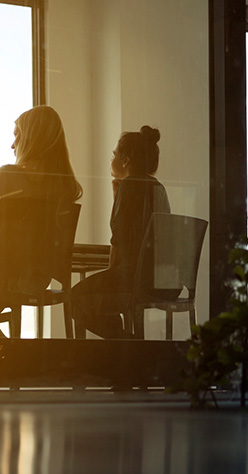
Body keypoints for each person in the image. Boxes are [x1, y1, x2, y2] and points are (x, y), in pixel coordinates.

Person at [0, 105, 83, 330]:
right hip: (36, 281)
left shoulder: (8, 175)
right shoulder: (65, 187)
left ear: (31, 138)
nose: (13, 144)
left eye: (17, 135)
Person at [71, 126, 171, 339]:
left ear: (126, 160)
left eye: (114, 155)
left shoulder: (129, 186)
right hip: (161, 281)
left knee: (74, 298)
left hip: (134, 280)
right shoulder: (158, 188)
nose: (111, 160)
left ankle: (124, 342)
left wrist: (110, 275)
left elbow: (119, 241)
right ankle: (122, 344)